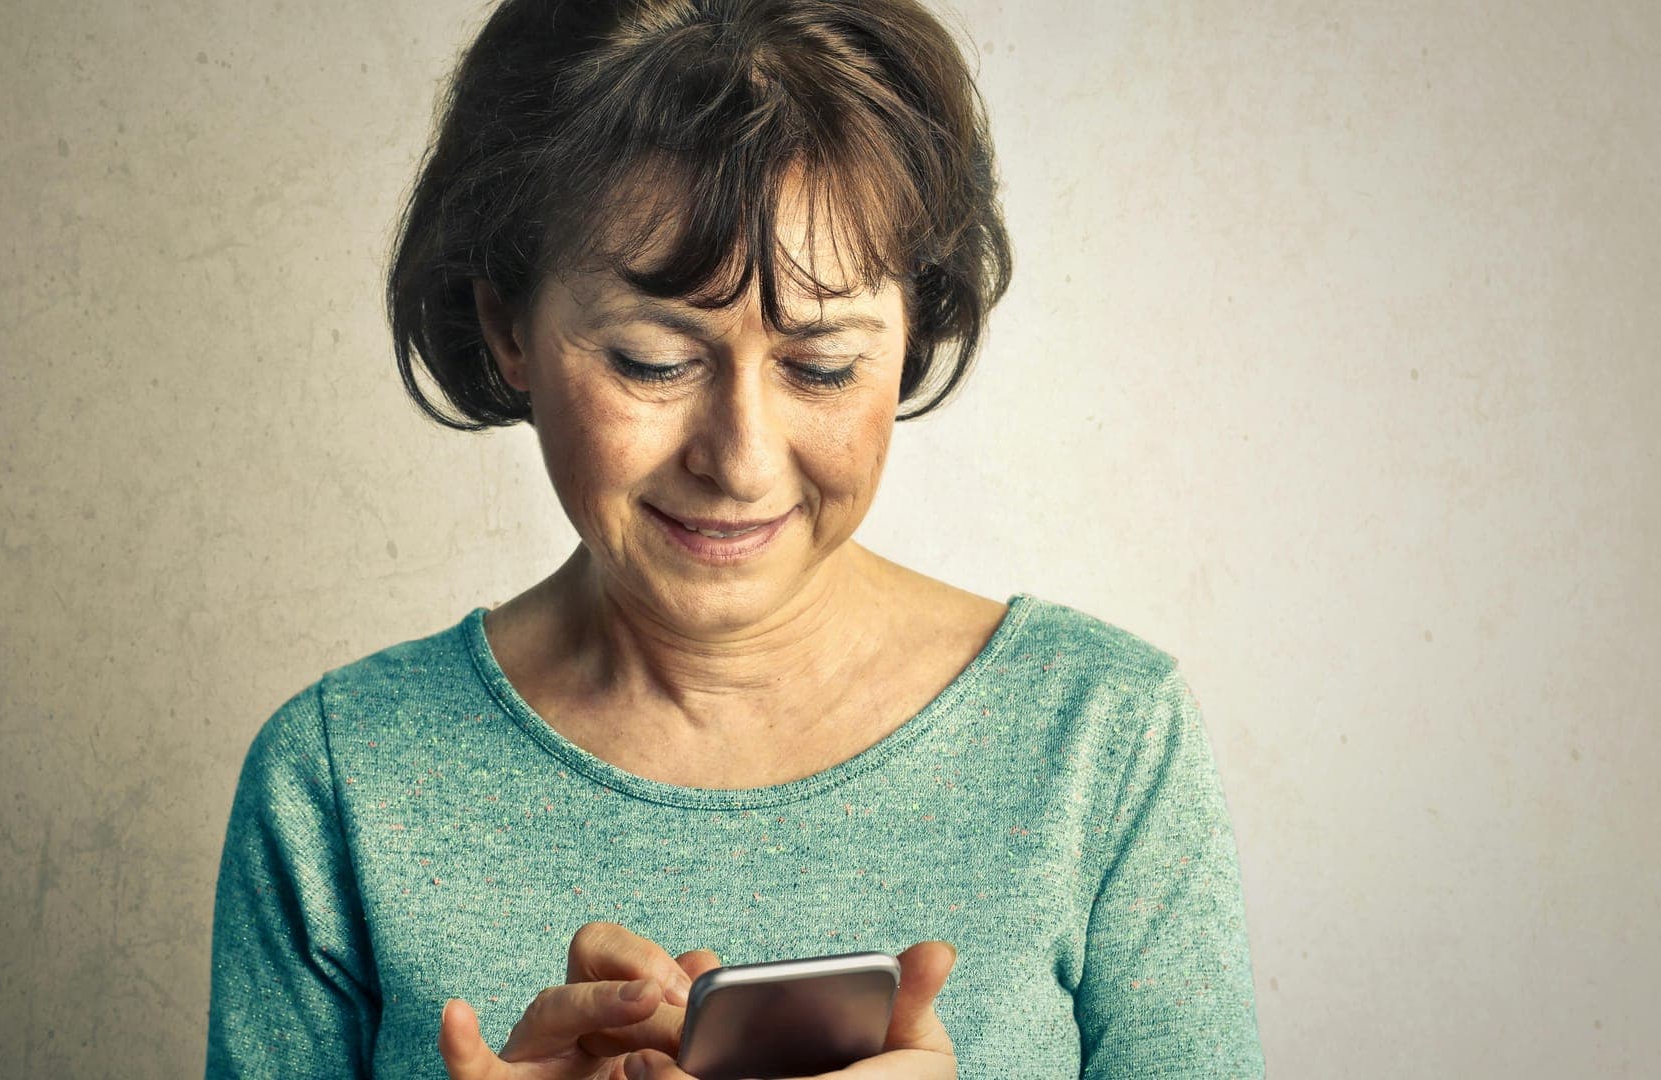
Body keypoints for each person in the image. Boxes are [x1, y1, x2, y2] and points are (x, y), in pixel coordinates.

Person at [205, 0, 1265, 1076]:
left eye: (823, 367)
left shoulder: (1104, 738)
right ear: (506, 327)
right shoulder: (339, 779)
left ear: (913, 334)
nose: (743, 461)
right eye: (654, 362)